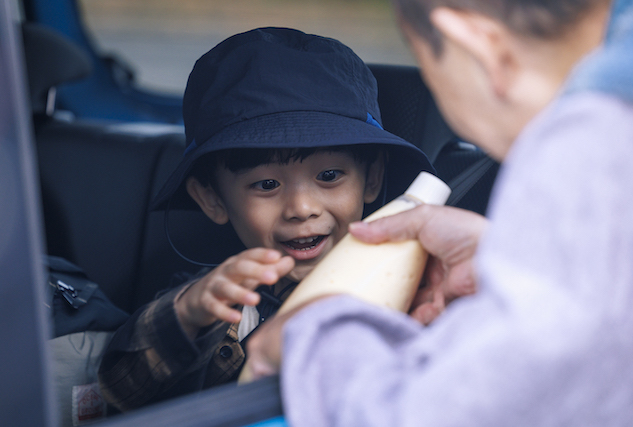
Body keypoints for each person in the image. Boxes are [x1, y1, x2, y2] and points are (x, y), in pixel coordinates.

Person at [244, 0, 633, 424]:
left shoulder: (589, 151)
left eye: (433, 77)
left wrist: (315, 337)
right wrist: (500, 254)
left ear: (482, 50)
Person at [97, 27, 435, 411]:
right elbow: (116, 390)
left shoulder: (415, 292)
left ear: (371, 179)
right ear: (212, 199)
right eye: (267, 184)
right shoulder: (221, 301)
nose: (301, 208)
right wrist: (188, 313)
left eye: (329, 176)